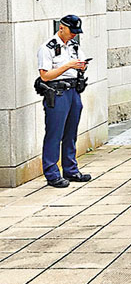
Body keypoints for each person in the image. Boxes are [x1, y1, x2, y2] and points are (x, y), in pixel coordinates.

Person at [38, 15, 91, 188]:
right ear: (62, 28)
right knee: (55, 134)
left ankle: (70, 169)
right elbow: (45, 75)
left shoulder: (74, 46)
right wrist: (68, 65)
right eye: (71, 31)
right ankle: (52, 173)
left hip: (73, 92)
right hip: (57, 92)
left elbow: (80, 63)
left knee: (71, 133)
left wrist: (82, 66)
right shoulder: (48, 48)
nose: (74, 35)